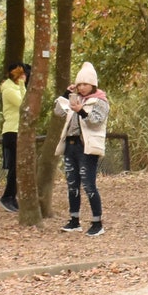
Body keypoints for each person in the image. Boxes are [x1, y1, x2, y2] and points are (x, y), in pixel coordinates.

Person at [55, 63, 110, 236]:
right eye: (79, 84)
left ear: (93, 84)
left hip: (86, 147)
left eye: (85, 84)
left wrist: (81, 111)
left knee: (89, 185)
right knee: (72, 184)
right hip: (70, 146)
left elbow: (96, 121)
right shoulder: (75, 100)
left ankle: (97, 222)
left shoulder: (100, 101)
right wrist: (66, 95)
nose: (82, 87)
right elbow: (58, 112)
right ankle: (74, 220)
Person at [0, 62, 27, 211]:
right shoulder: (8, 90)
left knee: (19, 167)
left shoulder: (17, 87)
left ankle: (13, 197)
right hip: (11, 131)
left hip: (20, 131)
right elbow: (23, 105)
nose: (24, 76)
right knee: (15, 167)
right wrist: (22, 85)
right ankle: (7, 197)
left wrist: (22, 86)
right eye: (22, 74)